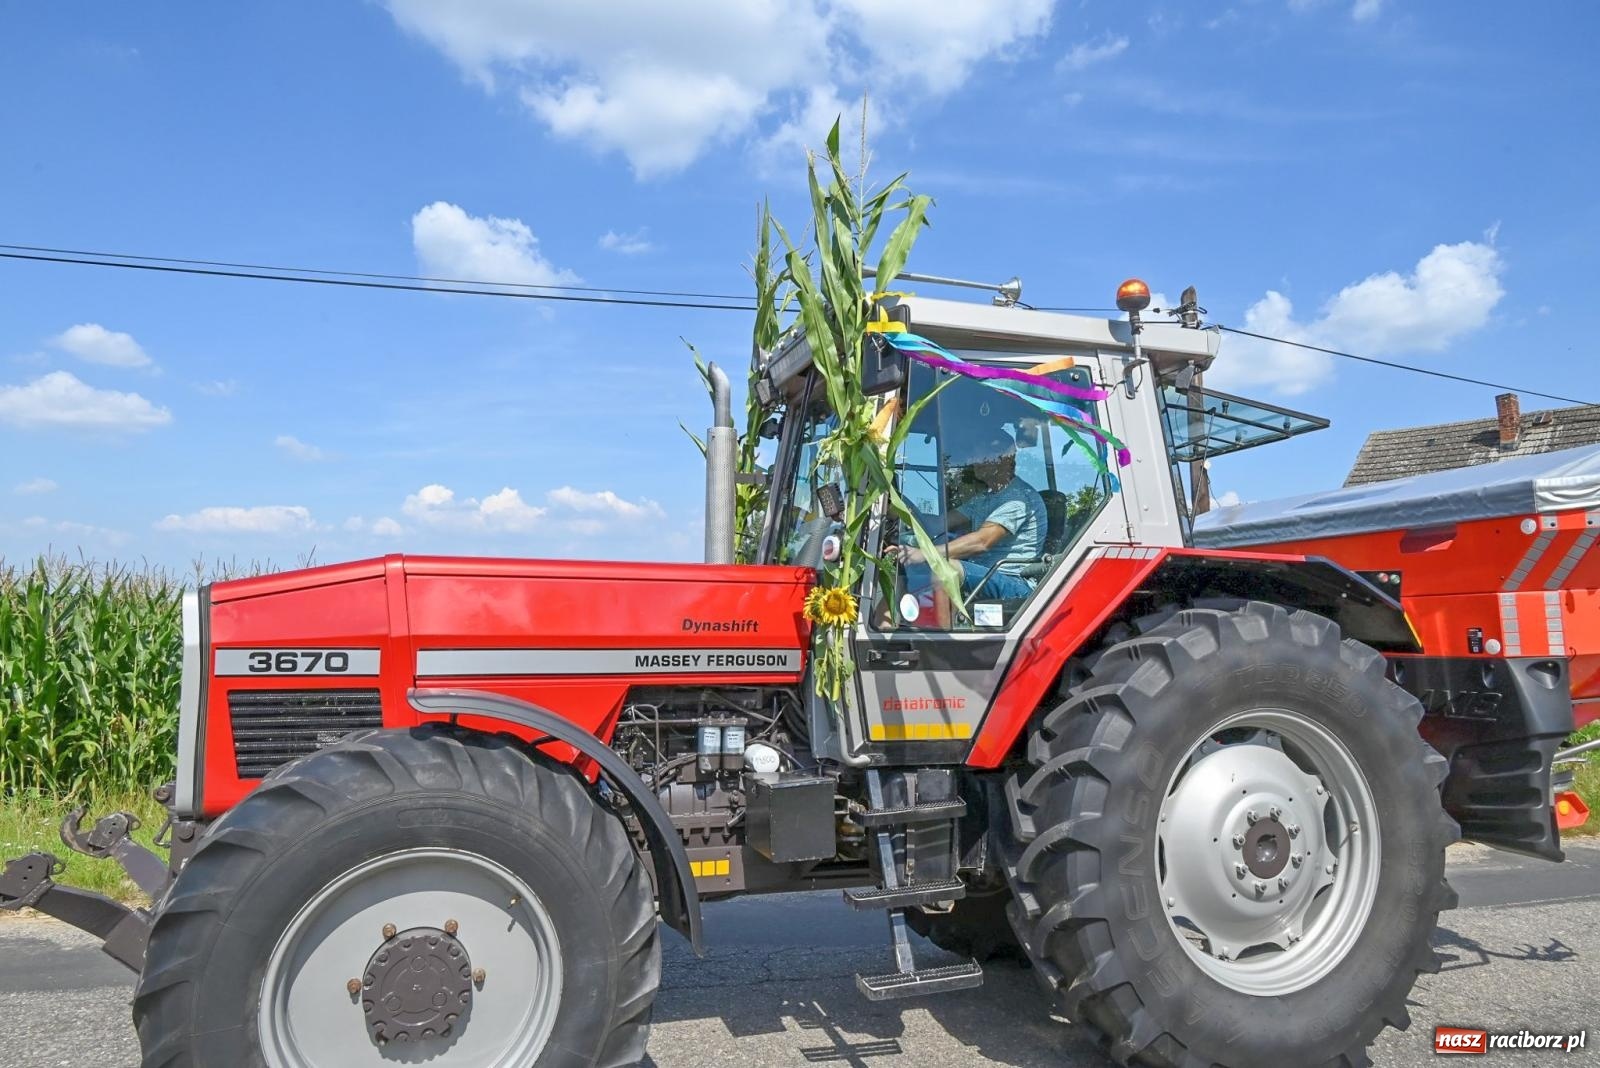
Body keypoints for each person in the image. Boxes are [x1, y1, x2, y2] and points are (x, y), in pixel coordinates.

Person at [889, 429, 1046, 602]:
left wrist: (926, 554)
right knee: (899, 581)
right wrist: (904, 510)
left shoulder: (1018, 498)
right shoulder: (986, 497)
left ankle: (947, 621)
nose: (972, 461)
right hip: (984, 574)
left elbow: (982, 542)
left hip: (1014, 583)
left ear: (1002, 458)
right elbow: (939, 523)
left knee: (945, 569)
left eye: (978, 456)